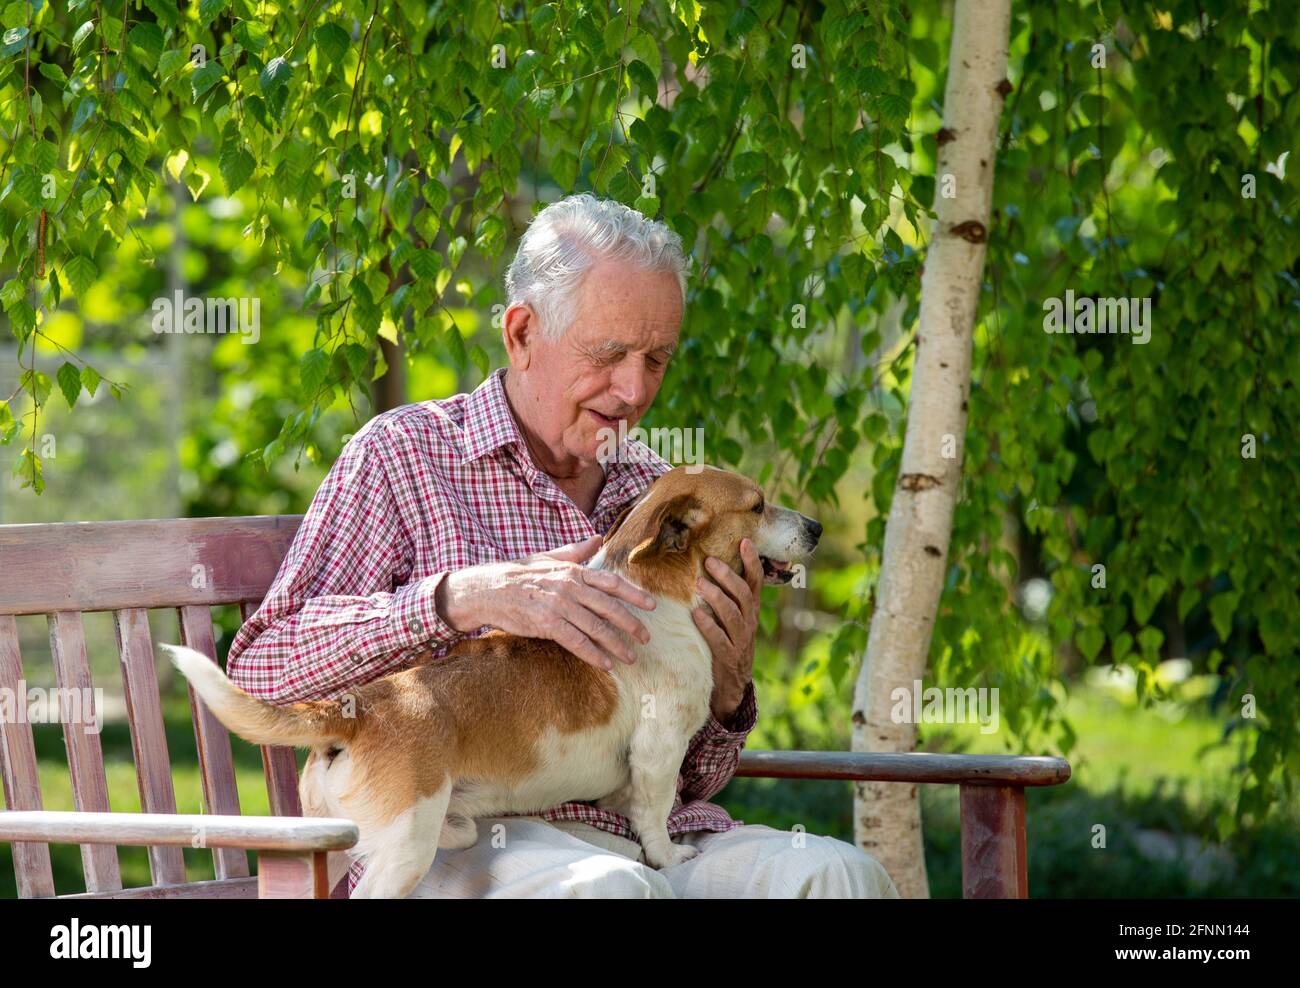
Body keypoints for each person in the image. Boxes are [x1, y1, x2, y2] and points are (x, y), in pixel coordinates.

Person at [226, 193, 899, 899]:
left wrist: (726, 693)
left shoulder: (665, 500)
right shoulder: (404, 456)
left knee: (838, 875)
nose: (635, 389)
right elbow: (261, 672)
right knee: (608, 891)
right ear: (521, 333)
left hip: (642, 834)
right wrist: (459, 600)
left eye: (657, 359)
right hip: (462, 825)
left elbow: (688, 773)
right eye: (608, 354)